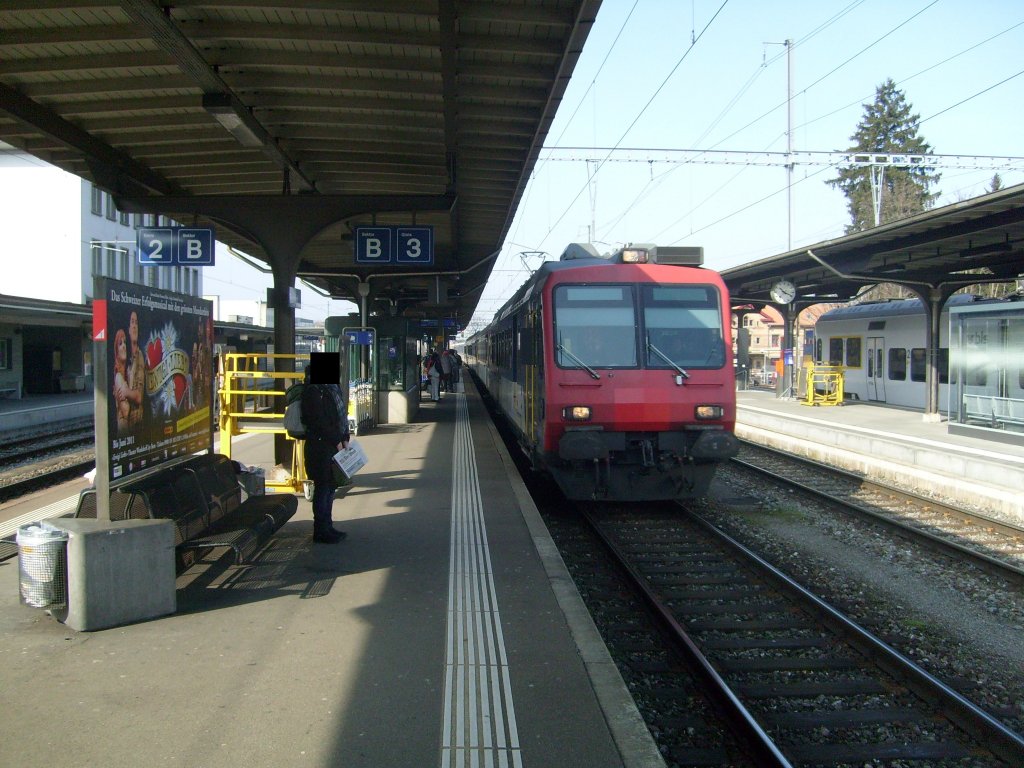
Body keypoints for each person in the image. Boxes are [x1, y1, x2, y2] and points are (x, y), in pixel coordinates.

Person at [300, 352, 350, 544]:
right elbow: (319, 422)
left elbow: (339, 417)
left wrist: (344, 437)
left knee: (330, 487)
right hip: (319, 447)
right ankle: (320, 530)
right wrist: (337, 440)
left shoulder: (330, 388)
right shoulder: (312, 392)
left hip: (332, 445)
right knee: (323, 487)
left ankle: (328, 526)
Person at [125, 311, 145, 426]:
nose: (134, 326)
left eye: (136, 323)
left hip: (137, 421)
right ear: (128, 329)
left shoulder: (139, 356)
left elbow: (139, 397)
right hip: (127, 422)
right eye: (132, 322)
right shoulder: (127, 357)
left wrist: (126, 392)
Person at [112, 328, 132, 433]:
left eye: (125, 343)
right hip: (123, 430)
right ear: (116, 351)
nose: (124, 346)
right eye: (120, 344)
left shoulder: (125, 374)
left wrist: (127, 393)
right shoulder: (119, 377)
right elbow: (126, 410)